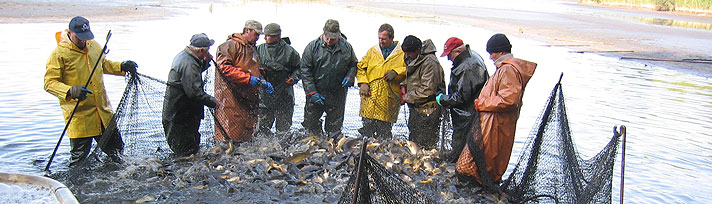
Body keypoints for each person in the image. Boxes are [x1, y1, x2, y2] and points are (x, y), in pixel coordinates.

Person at [44, 16, 137, 165]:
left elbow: (102, 64)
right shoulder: (59, 54)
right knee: (79, 161)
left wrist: (121, 66)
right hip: (80, 117)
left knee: (118, 153)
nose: (83, 41)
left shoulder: (93, 45)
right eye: (79, 37)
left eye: (85, 37)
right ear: (70, 33)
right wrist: (70, 90)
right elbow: (49, 83)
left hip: (103, 113)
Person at [456, 33, 537, 186]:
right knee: (476, 160)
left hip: (495, 125)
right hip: (491, 122)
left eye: (491, 53)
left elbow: (509, 99)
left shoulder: (508, 70)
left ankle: (482, 187)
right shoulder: (504, 68)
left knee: (482, 161)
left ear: (500, 52)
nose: (490, 57)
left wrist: (483, 104)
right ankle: (480, 186)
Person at [215, 20, 274, 142]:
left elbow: (250, 66)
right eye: (256, 34)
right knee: (230, 130)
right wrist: (248, 78)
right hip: (231, 96)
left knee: (248, 129)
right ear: (247, 30)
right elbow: (224, 68)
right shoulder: (229, 45)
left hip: (249, 96)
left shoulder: (252, 47)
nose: (258, 38)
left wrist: (261, 78)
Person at [300, 19, 358, 138]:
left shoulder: (347, 47)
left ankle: (332, 148)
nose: (330, 40)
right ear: (323, 33)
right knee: (310, 126)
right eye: (328, 37)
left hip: (337, 93)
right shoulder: (312, 47)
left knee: (334, 129)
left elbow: (354, 64)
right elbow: (305, 71)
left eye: (333, 38)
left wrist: (350, 76)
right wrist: (312, 92)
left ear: (339, 35)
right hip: (317, 91)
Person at [162, 33, 218, 155]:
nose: (208, 54)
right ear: (201, 50)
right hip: (180, 115)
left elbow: (192, 77)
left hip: (181, 113)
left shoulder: (185, 56)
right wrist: (215, 102)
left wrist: (205, 62)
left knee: (189, 148)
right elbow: (195, 93)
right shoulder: (189, 64)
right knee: (185, 151)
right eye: (207, 51)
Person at [436, 37, 489, 162]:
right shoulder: (470, 57)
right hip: (466, 114)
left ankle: (460, 174)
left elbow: (462, 97)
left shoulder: (469, 66)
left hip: (468, 117)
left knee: (463, 150)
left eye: (449, 55)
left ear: (458, 51)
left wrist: (442, 99)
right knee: (466, 150)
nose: (449, 58)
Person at [356, 23, 406, 139]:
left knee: (384, 132)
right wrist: (363, 83)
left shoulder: (402, 53)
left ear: (392, 37)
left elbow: (410, 69)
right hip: (370, 97)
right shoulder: (372, 51)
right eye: (379, 38)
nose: (381, 41)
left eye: (383, 39)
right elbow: (360, 67)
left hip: (388, 100)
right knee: (367, 130)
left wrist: (397, 72)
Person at [255, 23, 301, 137]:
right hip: (265, 96)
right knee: (261, 129)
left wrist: (293, 79)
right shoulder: (259, 49)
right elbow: (253, 69)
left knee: (283, 131)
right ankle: (263, 150)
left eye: (268, 35)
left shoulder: (290, 52)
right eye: (264, 35)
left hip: (285, 94)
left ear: (277, 36)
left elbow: (300, 69)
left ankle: (282, 151)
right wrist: (262, 81)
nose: (265, 38)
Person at [399, 35, 445, 148]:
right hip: (416, 108)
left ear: (418, 50)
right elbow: (409, 75)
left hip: (429, 110)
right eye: (405, 52)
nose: (407, 56)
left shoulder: (431, 63)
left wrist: (406, 97)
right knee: (414, 140)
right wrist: (403, 86)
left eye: (409, 53)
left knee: (425, 144)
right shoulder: (412, 57)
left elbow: (427, 90)